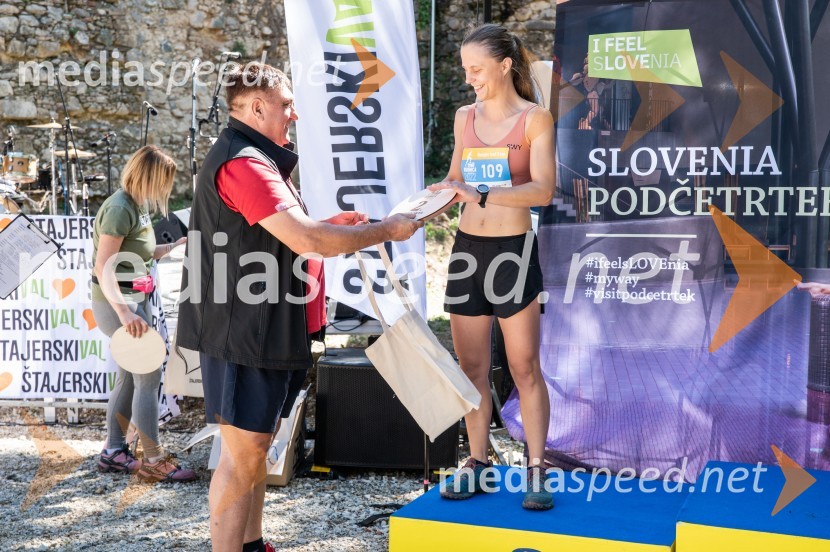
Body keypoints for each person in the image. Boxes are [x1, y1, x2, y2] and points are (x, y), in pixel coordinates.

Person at [176, 62, 422, 552]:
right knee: (243, 454)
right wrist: (386, 231)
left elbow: (281, 233)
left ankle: (252, 544)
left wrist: (331, 224)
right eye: (286, 105)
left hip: (260, 325)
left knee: (256, 450)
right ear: (257, 107)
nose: (293, 115)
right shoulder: (245, 163)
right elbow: (309, 239)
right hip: (244, 331)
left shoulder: (255, 160)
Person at [429, 24, 556, 510]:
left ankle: (537, 469)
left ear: (505, 65)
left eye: (476, 69)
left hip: (514, 251)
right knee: (472, 368)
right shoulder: (466, 117)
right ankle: (479, 463)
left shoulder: (535, 119)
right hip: (467, 250)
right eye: (465, 70)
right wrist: (416, 211)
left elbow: (543, 190)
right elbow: (453, 180)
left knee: (524, 368)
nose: (470, 79)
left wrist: (481, 193)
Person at [92, 145, 196, 483]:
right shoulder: (120, 208)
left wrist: (176, 246)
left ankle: (114, 452)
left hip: (135, 302)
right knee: (147, 379)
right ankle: (153, 459)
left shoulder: (136, 206)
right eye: (164, 181)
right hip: (119, 304)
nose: (165, 189)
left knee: (128, 376)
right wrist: (124, 314)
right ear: (149, 176)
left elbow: (144, 252)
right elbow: (104, 267)